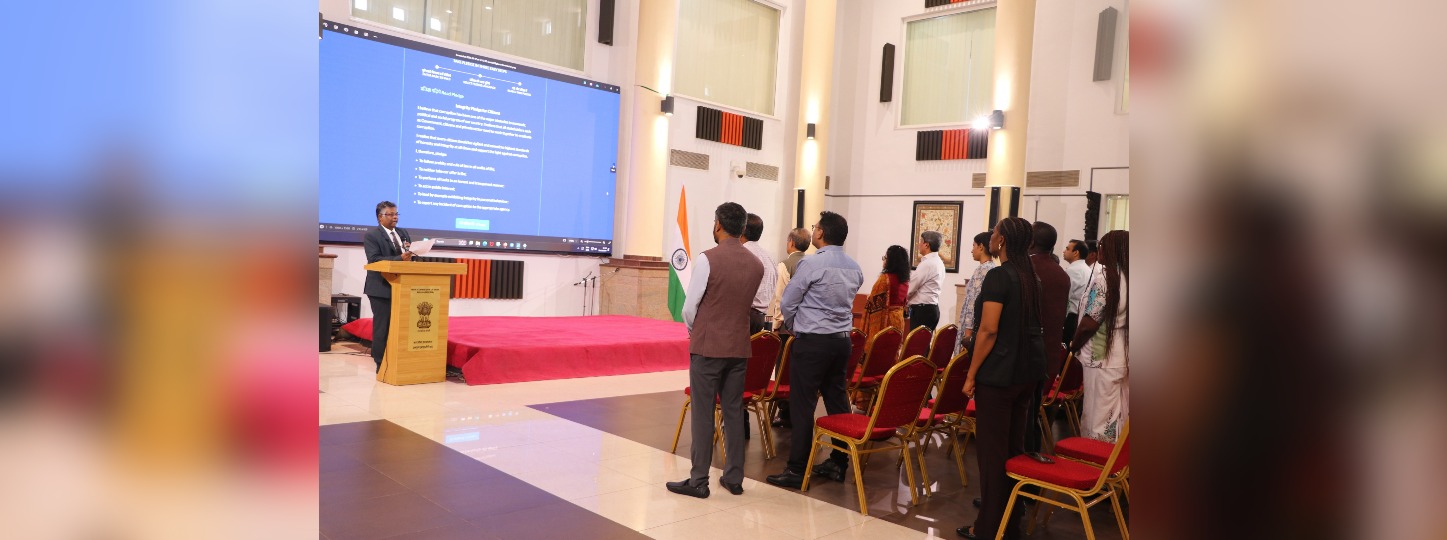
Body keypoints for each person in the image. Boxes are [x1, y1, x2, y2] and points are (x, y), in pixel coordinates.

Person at [666, 202, 765, 499]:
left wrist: (697, 332)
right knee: (734, 411)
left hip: (708, 346)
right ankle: (734, 478)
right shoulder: (756, 264)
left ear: (719, 225)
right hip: (738, 347)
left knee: (703, 412)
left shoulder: (708, 259)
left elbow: (689, 307)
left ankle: (699, 480)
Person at [958, 217, 1048, 540]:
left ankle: (987, 528)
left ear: (1003, 240)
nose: (991, 235)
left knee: (992, 456)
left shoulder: (999, 276)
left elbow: (988, 329)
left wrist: (970, 374)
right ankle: (1010, 519)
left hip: (998, 375)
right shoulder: (1030, 278)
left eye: (995, 232)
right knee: (1012, 450)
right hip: (1026, 374)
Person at [765, 211, 865, 489]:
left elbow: (788, 302)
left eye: (815, 227)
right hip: (841, 342)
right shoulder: (854, 266)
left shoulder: (812, 264)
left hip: (813, 342)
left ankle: (797, 469)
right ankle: (838, 460)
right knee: (836, 400)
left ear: (821, 233)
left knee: (802, 404)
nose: (814, 230)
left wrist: (797, 327)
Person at [1068, 230, 1129, 442]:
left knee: (1097, 416)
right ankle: (1118, 466)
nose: (1098, 251)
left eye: (1103, 246)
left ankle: (1096, 464)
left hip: (1101, 355)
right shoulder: (1131, 278)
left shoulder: (1105, 279)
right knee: (1120, 414)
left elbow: (1089, 322)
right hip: (1123, 354)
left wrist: (1074, 344)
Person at [1026, 222, 1071, 454]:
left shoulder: (1026, 269)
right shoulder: (1060, 273)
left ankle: (1016, 478)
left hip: (1025, 356)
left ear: (1030, 242)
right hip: (1049, 354)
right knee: (1031, 416)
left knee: (1019, 422)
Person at [363, 201, 414, 373]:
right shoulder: (372, 236)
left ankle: (398, 361)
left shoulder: (403, 233)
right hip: (380, 288)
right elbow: (374, 260)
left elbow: (407, 255)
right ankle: (380, 364)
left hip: (402, 287)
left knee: (401, 327)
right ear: (380, 217)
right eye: (391, 214)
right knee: (382, 327)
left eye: (397, 214)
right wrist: (400, 258)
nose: (395, 218)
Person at [768, 227, 810, 428]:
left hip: (787, 327)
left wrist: (776, 325)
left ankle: (785, 413)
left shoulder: (785, 265)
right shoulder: (811, 263)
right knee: (801, 371)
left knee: (783, 370)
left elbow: (781, 298)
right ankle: (800, 412)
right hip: (807, 326)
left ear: (791, 242)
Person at [954, 232, 997, 356]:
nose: (972, 250)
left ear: (981, 247)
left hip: (971, 330)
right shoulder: (991, 267)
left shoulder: (983, 270)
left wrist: (968, 333)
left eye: (974, 246)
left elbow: (973, 304)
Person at [860, 245, 911, 341]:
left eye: (885, 257)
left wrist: (870, 298)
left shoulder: (885, 279)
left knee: (881, 351)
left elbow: (876, 303)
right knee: (892, 351)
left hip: (886, 321)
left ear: (891, 261)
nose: (883, 260)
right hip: (899, 320)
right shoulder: (905, 280)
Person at [740, 213, 778, 335]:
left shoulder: (742, 253)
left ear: (743, 229)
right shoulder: (769, 257)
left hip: (743, 316)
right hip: (760, 318)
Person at [907, 230, 947, 331]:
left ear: (926, 245)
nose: (919, 244)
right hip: (932, 308)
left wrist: (902, 301)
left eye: (921, 241)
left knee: (917, 345)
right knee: (924, 344)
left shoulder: (927, 264)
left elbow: (911, 287)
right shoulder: (939, 262)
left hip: (922, 311)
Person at [1062, 239, 1093, 345]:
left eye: (1067, 249)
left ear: (1076, 253)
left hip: (1071, 317)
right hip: (1081, 316)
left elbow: (1065, 296)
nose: (1064, 251)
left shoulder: (1073, 270)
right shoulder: (1088, 269)